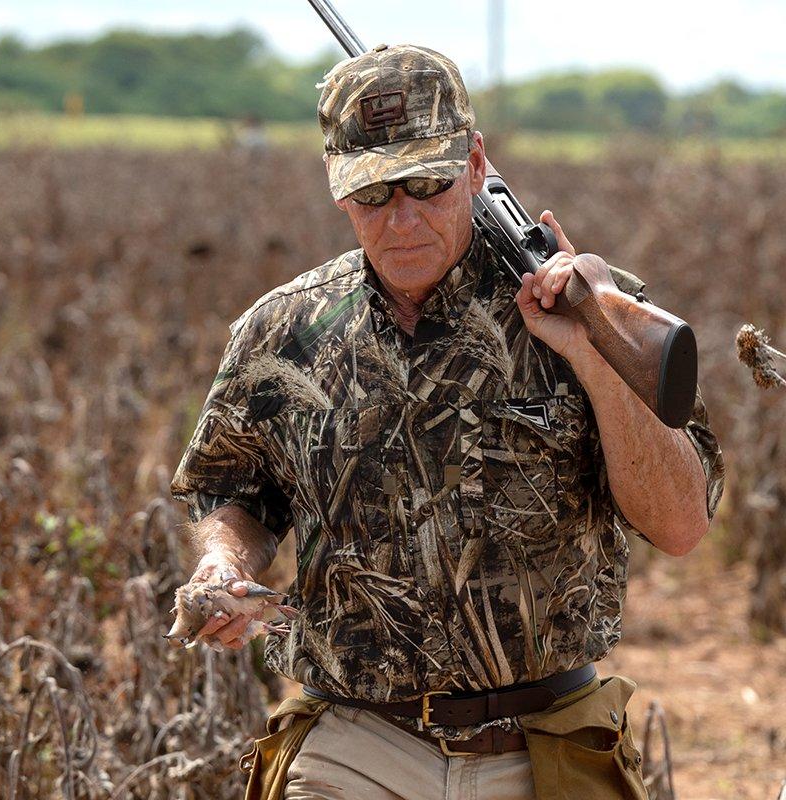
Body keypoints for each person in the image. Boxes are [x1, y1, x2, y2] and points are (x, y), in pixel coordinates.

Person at [168, 44, 725, 800]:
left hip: (545, 745)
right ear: (337, 192)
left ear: (474, 162)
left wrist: (588, 353)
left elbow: (683, 525)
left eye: (427, 184)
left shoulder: (593, 309)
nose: (401, 220)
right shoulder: (284, 330)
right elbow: (230, 485)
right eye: (373, 195)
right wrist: (223, 563)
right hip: (353, 740)